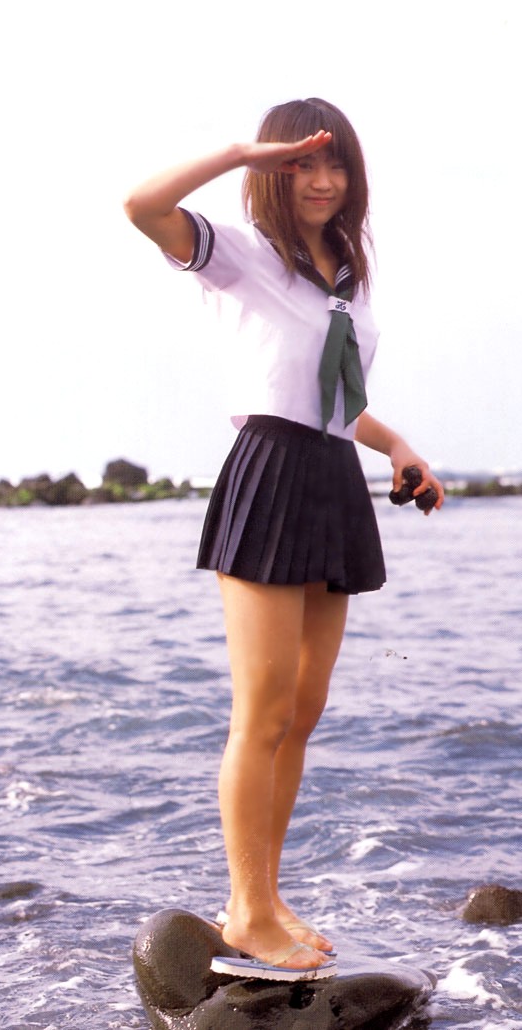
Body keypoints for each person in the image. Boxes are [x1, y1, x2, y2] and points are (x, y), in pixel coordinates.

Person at [123, 98, 444, 982]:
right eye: (303, 163)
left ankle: (262, 895)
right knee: (260, 711)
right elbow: (141, 206)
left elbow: (330, 396)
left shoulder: (346, 273)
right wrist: (237, 151)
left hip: (332, 476)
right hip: (269, 473)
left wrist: (397, 445)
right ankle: (248, 911)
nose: (322, 180)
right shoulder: (242, 255)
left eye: (335, 164)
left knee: (301, 711)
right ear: (276, 170)